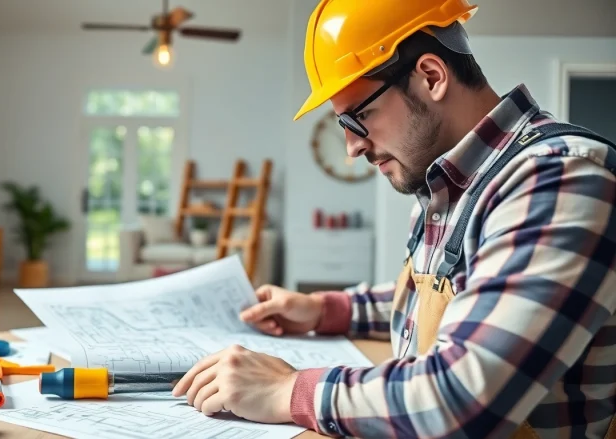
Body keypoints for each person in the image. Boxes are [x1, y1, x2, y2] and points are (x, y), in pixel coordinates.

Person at [173, 0, 616, 437]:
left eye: (359, 117)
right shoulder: (447, 182)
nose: (352, 147)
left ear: (431, 76)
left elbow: (462, 398)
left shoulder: (561, 178)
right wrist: (325, 310)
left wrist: (288, 390)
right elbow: (473, 292)